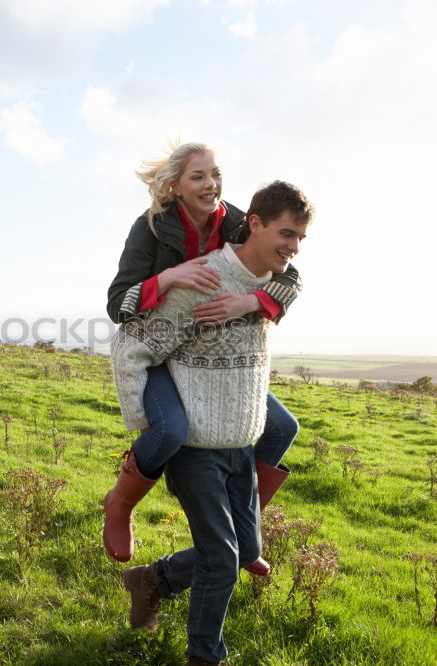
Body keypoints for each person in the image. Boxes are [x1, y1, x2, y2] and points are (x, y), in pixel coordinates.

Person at [112, 181, 315, 666]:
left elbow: (292, 284)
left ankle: (152, 580)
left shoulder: (272, 286)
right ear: (256, 225)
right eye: (286, 234)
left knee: (244, 549)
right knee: (222, 561)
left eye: (301, 239)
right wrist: (144, 422)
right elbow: (129, 344)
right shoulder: (203, 280)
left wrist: (252, 302)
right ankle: (206, 656)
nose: (293, 247)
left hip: (241, 448)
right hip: (196, 450)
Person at [103, 142, 299, 562]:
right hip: (156, 343)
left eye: (216, 174)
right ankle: (119, 504)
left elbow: (290, 273)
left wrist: (250, 303)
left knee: (281, 427)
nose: (211, 185)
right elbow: (118, 304)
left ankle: (244, 523)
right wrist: (169, 277)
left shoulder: (235, 220)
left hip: (207, 351)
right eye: (198, 177)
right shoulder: (152, 227)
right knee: (170, 430)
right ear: (175, 186)